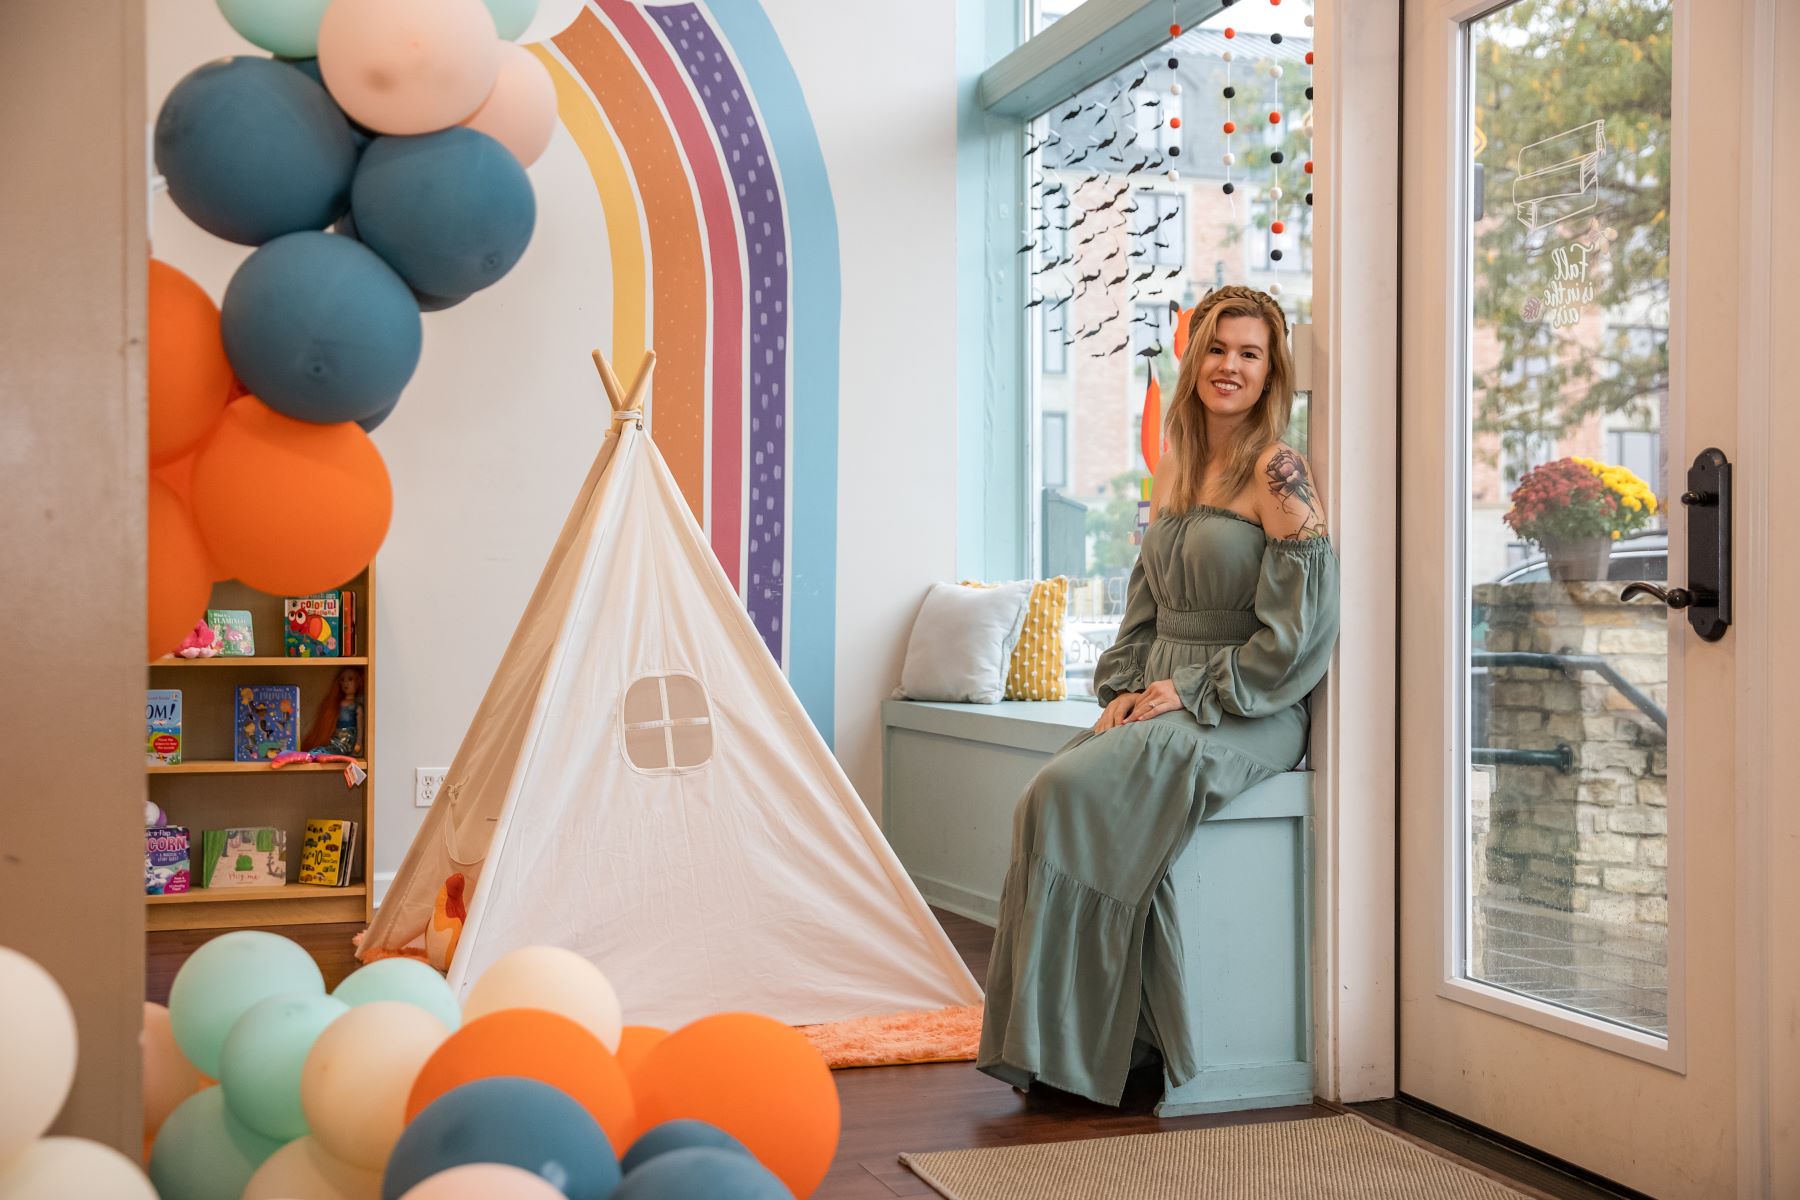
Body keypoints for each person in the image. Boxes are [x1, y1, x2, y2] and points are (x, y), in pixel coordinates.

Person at [976, 285, 1340, 1105]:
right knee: (1043, 800)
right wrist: (1126, 688)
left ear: (1271, 370)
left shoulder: (1280, 470)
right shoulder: (1178, 460)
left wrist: (1190, 689)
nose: (1230, 367)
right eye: (1217, 348)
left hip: (1246, 706)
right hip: (1164, 693)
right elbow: (1145, 603)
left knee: (1067, 789)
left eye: (1250, 354)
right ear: (1194, 359)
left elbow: (1300, 636)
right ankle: (1070, 1047)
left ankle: (1105, 1054)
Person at [304, 666, 365, 757]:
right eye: (342, 680)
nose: (345, 683)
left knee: (328, 751)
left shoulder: (356, 707)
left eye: (350, 679)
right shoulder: (337, 704)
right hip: (335, 738)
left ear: (358, 682)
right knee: (320, 750)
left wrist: (359, 743)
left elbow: (360, 728)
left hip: (347, 741)